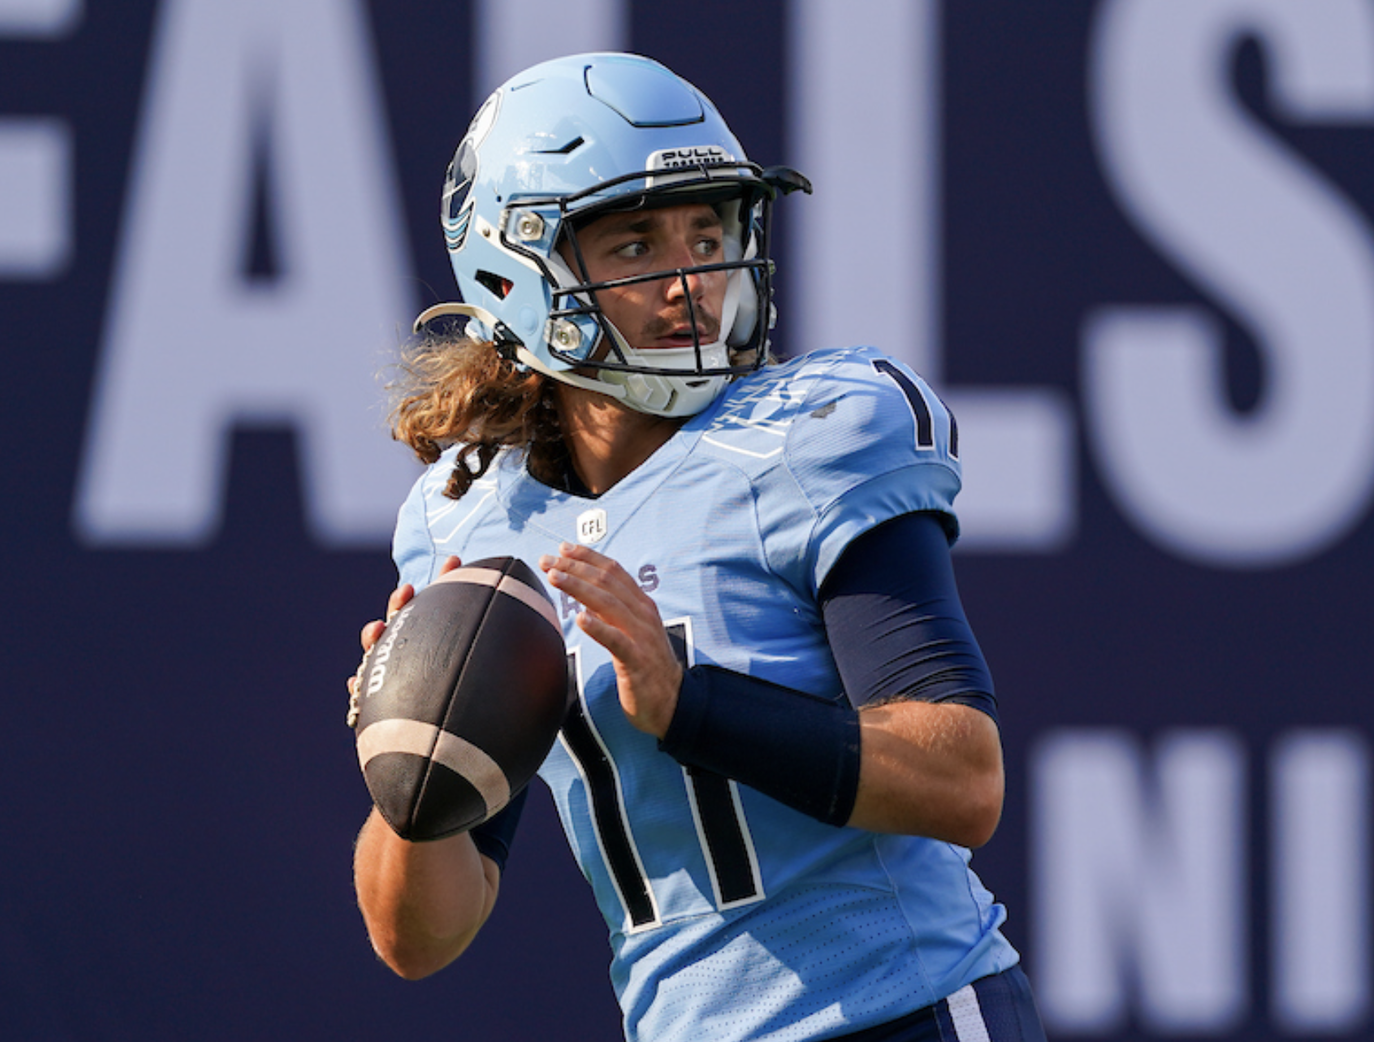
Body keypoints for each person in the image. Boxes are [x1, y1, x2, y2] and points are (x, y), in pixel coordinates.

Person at [350, 52, 1046, 1042]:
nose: (691, 282)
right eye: (636, 244)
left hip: (906, 1012)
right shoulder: (467, 525)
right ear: (517, 273)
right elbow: (416, 941)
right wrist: (409, 763)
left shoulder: (809, 436)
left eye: (708, 235)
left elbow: (964, 780)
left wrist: (694, 706)